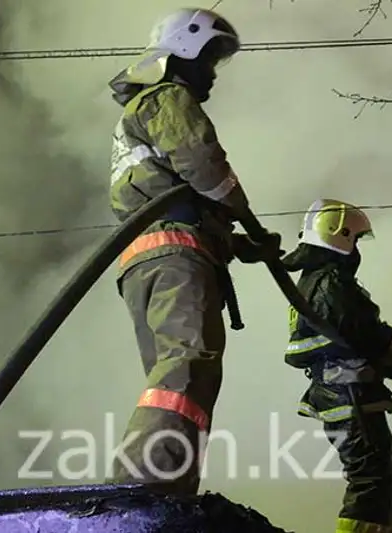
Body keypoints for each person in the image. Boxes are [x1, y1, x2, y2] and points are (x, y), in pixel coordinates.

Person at [106, 7, 281, 494]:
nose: (211, 73)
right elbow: (203, 164)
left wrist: (244, 244)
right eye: (208, 58)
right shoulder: (165, 97)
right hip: (175, 255)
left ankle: (167, 487)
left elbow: (184, 195)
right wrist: (239, 207)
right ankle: (146, 491)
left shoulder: (146, 109)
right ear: (184, 47)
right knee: (187, 367)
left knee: (175, 378)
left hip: (153, 258)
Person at [281, 199, 392, 532]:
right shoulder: (330, 283)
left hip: (348, 393)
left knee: (387, 479)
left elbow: (351, 339)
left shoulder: (317, 281)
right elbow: (365, 335)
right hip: (347, 396)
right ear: (341, 236)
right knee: (371, 483)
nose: (358, 249)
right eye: (357, 240)